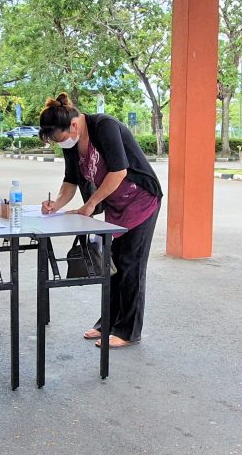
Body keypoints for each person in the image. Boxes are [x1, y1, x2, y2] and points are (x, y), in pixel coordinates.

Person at [38, 93, 163, 348]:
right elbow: (70, 180)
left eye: (61, 138)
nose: (62, 144)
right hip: (115, 205)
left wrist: (90, 205)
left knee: (131, 265)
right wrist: (56, 205)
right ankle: (107, 323)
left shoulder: (104, 126)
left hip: (141, 200)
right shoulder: (73, 144)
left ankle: (128, 331)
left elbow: (119, 171)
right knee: (112, 265)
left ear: (74, 125)